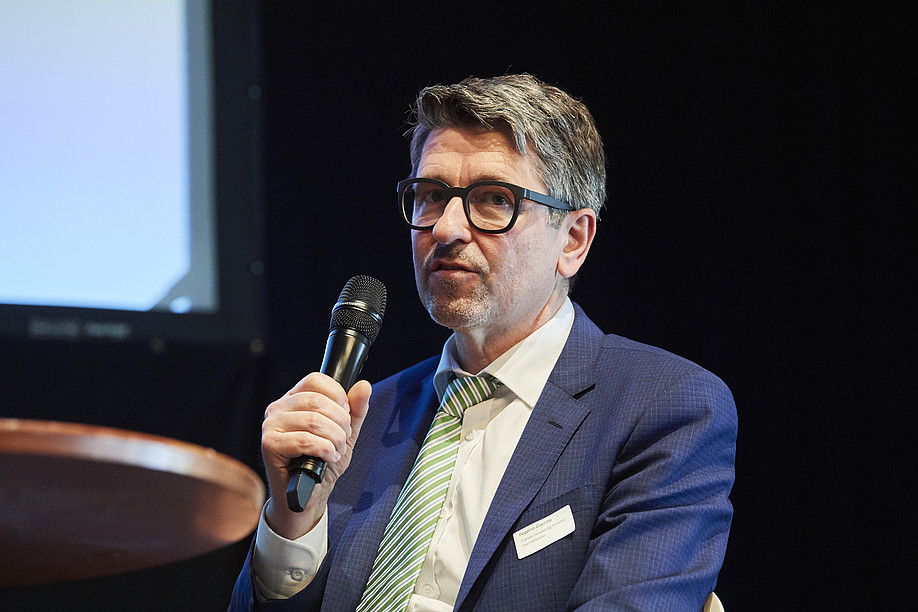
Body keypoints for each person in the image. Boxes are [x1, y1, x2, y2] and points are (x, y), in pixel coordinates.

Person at [230, 73, 737, 611]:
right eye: (431, 196)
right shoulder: (362, 420)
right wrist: (293, 522)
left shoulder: (661, 407)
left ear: (573, 240)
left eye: (494, 199)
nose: (446, 228)